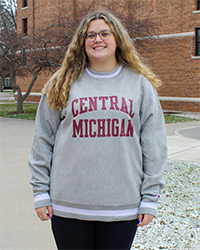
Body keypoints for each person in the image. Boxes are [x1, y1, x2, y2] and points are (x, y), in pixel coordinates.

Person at [28, 10, 167, 250]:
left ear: (117, 39)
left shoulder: (139, 84)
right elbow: (43, 139)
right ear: (82, 42)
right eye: (90, 35)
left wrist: (149, 198)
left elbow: (154, 145)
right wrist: (41, 192)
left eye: (104, 33)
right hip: (68, 205)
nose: (97, 39)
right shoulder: (62, 83)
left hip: (122, 205)